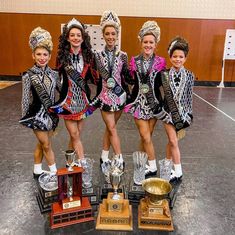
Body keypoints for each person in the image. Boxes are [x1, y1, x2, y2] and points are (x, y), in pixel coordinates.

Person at [124, 21, 170, 178]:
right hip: (138, 103)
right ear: (141, 42)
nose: (148, 45)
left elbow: (162, 84)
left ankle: (140, 162)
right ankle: (152, 166)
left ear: (155, 44)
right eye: (145, 42)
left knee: (147, 136)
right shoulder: (134, 61)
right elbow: (131, 81)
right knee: (145, 136)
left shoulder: (161, 62)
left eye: (151, 42)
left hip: (154, 104)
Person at [50, 18, 98, 166]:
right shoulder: (62, 57)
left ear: (83, 38)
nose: (76, 38)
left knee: (75, 136)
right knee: (75, 134)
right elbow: (58, 78)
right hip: (68, 101)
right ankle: (83, 163)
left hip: (83, 102)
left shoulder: (89, 57)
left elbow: (94, 78)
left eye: (78, 35)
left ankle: (69, 162)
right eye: (72, 35)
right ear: (68, 37)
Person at [91, 11, 130, 170]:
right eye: (107, 33)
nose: (110, 36)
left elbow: (126, 76)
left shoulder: (123, 55)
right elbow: (94, 77)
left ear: (117, 34)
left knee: (110, 128)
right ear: (103, 35)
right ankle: (119, 157)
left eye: (113, 33)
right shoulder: (97, 56)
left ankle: (104, 155)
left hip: (119, 96)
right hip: (105, 97)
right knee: (112, 128)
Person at [19, 27, 60, 177]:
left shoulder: (55, 75)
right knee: (47, 145)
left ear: (49, 56)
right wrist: (24, 118)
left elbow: (61, 94)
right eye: (38, 54)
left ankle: (37, 169)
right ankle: (55, 173)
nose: (42, 57)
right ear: (33, 55)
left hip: (50, 115)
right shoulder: (28, 75)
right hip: (36, 115)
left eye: (45, 54)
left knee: (42, 144)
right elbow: (25, 98)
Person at [161, 36, 194, 182]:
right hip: (168, 114)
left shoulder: (190, 75)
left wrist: (188, 115)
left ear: (185, 58)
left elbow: (188, 97)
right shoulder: (164, 75)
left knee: (172, 142)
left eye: (181, 57)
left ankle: (168, 166)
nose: (177, 59)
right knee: (173, 141)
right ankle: (178, 170)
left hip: (182, 115)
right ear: (170, 57)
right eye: (174, 56)